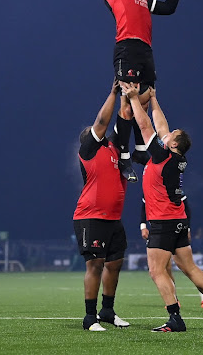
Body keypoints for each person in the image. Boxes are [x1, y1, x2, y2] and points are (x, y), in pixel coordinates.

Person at [121, 81, 203, 332]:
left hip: (163, 222)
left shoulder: (162, 155)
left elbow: (145, 125)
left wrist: (134, 99)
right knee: (189, 267)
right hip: (178, 219)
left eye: (172, 134)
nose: (168, 133)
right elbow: (160, 124)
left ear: (173, 143)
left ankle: (175, 318)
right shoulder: (173, 155)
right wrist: (155, 99)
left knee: (156, 270)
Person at [88, 0, 187, 183]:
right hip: (127, 48)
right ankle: (123, 157)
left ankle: (141, 150)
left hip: (146, 51)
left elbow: (169, 7)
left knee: (145, 97)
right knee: (127, 100)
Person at [73, 80, 131, 332]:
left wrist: (127, 96)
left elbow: (124, 117)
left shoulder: (113, 149)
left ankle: (107, 311)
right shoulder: (88, 150)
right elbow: (102, 121)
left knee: (114, 264)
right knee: (95, 264)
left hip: (113, 219)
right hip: (90, 216)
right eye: (96, 131)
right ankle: (89, 318)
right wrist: (112, 93)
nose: (100, 131)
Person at [140, 199, 203, 308]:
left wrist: (187, 229)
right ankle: (174, 300)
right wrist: (143, 226)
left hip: (172, 229)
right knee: (167, 268)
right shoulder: (152, 189)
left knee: (188, 268)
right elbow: (144, 206)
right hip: (162, 229)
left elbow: (186, 207)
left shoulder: (170, 186)